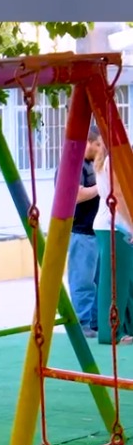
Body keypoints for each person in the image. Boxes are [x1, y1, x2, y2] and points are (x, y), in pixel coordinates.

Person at [57, 128, 102, 338]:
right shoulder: (72, 165)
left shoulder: (95, 165)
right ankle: (82, 323)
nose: (100, 149)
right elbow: (75, 195)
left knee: (99, 281)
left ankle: (96, 322)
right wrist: (101, 187)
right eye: (98, 145)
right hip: (81, 232)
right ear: (88, 143)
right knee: (83, 281)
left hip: (97, 231)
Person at [93, 141, 133, 345]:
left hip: (111, 224)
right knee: (115, 283)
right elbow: (118, 195)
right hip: (116, 226)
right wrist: (131, 224)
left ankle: (123, 328)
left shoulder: (107, 161)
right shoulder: (114, 162)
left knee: (124, 280)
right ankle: (111, 332)